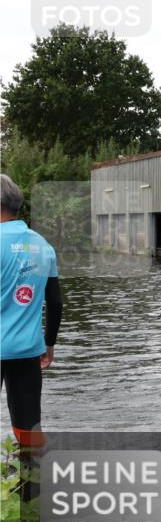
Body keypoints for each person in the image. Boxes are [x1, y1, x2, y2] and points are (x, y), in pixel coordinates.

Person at [0, 174, 62, 457]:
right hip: (28, 349)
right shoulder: (42, 245)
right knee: (29, 429)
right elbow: (55, 301)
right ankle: (29, 496)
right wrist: (48, 343)